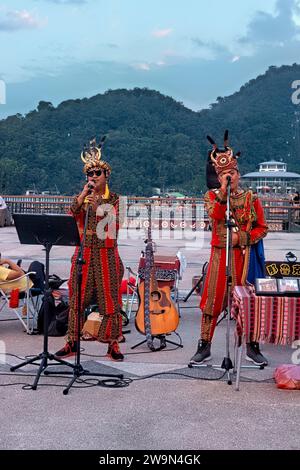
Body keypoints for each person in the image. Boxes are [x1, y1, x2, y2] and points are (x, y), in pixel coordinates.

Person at [190, 132, 269, 366]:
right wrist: (222, 192)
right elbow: (214, 214)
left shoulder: (251, 198)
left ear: (238, 174)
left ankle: (252, 347)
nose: (229, 177)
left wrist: (241, 237)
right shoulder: (211, 196)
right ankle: (204, 346)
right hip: (218, 257)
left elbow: (262, 228)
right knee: (212, 300)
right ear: (219, 177)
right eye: (224, 174)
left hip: (244, 259)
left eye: (232, 173)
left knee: (249, 302)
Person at [55, 138, 125, 361]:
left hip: (106, 255)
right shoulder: (83, 199)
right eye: (90, 174)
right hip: (83, 254)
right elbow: (71, 213)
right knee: (77, 299)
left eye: (97, 174)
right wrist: (84, 195)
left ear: (106, 177)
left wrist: (98, 209)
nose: (93, 177)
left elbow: (113, 227)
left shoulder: (116, 200)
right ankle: (71, 342)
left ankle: (113, 344)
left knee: (110, 301)